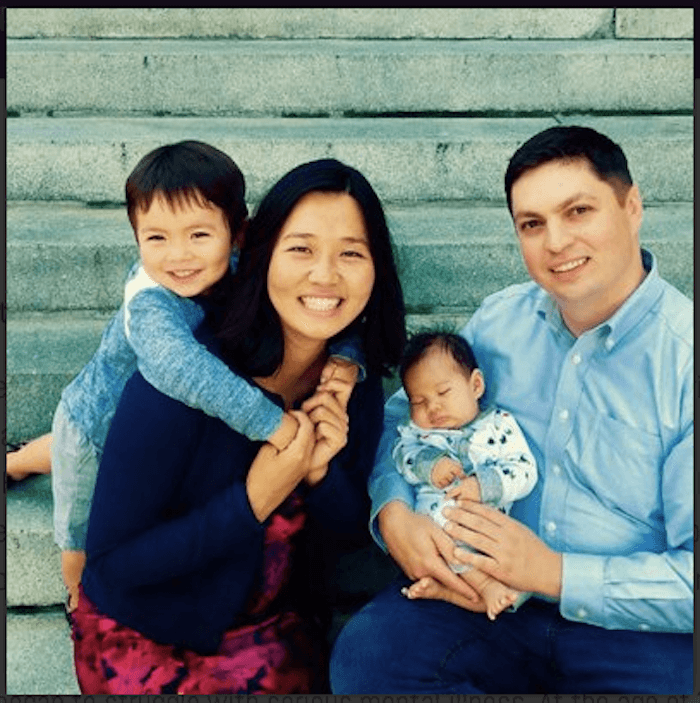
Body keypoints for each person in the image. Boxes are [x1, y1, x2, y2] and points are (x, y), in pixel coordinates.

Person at [330, 126, 693, 694]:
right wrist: (395, 512)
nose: (556, 242)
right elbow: (404, 418)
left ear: (632, 207)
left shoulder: (685, 357)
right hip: (483, 595)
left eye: (578, 211)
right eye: (532, 224)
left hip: (630, 629)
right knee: (370, 659)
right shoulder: (500, 323)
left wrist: (553, 573)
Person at [69, 158, 406, 694]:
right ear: (259, 252)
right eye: (301, 249)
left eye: (351, 253)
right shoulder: (187, 380)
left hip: (272, 632)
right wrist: (253, 500)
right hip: (145, 634)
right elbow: (112, 566)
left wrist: (320, 475)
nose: (325, 275)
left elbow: (346, 537)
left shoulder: (349, 381)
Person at [7, 142, 365, 614]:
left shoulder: (235, 268)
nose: (179, 256)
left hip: (146, 436)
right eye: (156, 238)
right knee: (78, 529)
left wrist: (346, 359)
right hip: (95, 422)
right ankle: (78, 598)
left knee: (55, 449)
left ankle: (16, 461)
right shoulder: (151, 303)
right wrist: (273, 424)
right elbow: (187, 373)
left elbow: (328, 311)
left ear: (237, 234)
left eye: (198, 235)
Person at [393, 330, 536, 620]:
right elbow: (401, 456)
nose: (433, 407)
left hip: (485, 535)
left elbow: (524, 470)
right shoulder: (417, 433)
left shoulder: (498, 426)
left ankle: (448, 592)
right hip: (434, 536)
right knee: (453, 555)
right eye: (418, 401)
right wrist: (430, 464)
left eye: (443, 393)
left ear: (476, 385)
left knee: (514, 580)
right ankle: (472, 588)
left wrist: (483, 485)